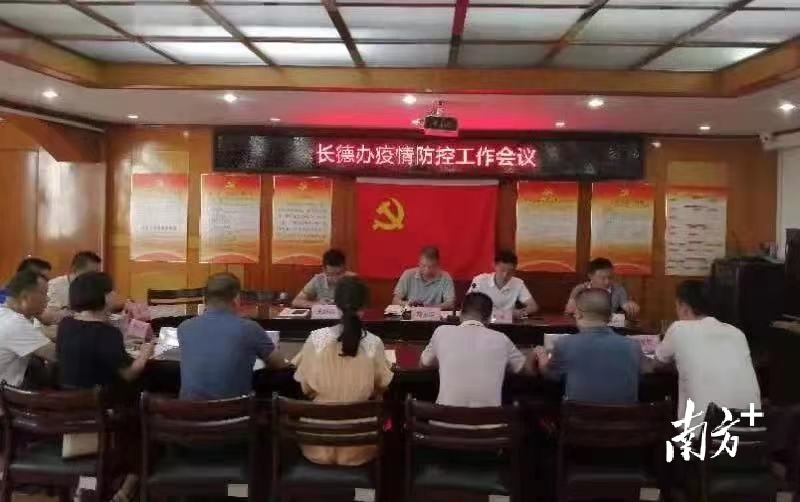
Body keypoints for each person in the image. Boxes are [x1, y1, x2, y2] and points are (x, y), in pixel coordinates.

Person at [292, 276, 393, 466]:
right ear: (364, 307)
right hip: (360, 444)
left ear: (335, 304)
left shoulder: (316, 339)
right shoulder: (374, 343)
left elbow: (305, 388)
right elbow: (382, 386)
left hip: (317, 442)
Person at [655, 280, 761, 425]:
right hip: (752, 432)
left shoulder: (679, 328)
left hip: (705, 435)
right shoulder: (737, 333)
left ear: (684, 308)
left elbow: (657, 364)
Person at [420, 292, 533, 407]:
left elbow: (424, 364)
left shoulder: (441, 332)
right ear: (489, 319)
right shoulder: (502, 339)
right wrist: (535, 353)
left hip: (444, 417)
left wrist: (445, 359)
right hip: (490, 418)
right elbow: (526, 369)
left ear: (461, 314)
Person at [178, 273, 276, 400]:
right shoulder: (250, 328)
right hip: (235, 411)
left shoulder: (184, 328)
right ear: (237, 299)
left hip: (187, 411)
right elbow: (279, 364)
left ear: (203, 299)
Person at [536, 288, 643, 404]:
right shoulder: (633, 346)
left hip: (578, 415)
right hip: (625, 415)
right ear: (610, 317)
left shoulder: (564, 343)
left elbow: (550, 375)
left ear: (578, 314)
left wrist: (541, 354)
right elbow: (648, 369)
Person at [57, 272, 153, 389]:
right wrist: (145, 353)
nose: (115, 294)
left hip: (67, 395)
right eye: (112, 291)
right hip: (99, 397)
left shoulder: (65, 324)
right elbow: (129, 374)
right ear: (106, 297)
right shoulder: (107, 332)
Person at [0, 270, 55, 387]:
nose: (48, 299)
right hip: (6, 394)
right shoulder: (15, 323)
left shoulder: (4, 313)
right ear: (25, 296)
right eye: (44, 293)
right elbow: (57, 355)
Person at [468, 250, 538, 319]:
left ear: (515, 269)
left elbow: (533, 306)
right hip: (485, 319)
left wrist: (520, 313)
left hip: (508, 321)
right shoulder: (479, 280)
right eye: (502, 270)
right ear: (494, 265)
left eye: (510, 272)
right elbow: (468, 303)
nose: (505, 275)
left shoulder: (518, 283)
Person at [564, 257, 640, 318]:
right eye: (602, 278)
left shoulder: (618, 290)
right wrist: (571, 307)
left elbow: (625, 306)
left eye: (610, 277)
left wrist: (631, 307)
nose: (607, 282)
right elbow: (569, 314)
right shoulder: (580, 290)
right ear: (590, 276)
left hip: (609, 328)